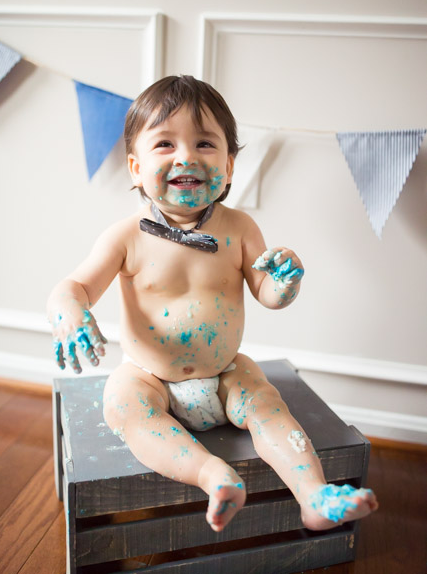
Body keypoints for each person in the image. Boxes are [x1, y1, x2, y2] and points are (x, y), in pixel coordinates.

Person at [47, 75, 378, 533]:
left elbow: (267, 294)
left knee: (268, 404)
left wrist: (285, 282)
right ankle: (213, 474)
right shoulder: (124, 237)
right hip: (151, 375)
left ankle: (314, 496)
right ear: (135, 167)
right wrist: (68, 311)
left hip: (224, 372)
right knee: (123, 406)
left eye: (204, 143)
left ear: (229, 165)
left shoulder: (240, 228)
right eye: (165, 144)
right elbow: (74, 286)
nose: (186, 155)